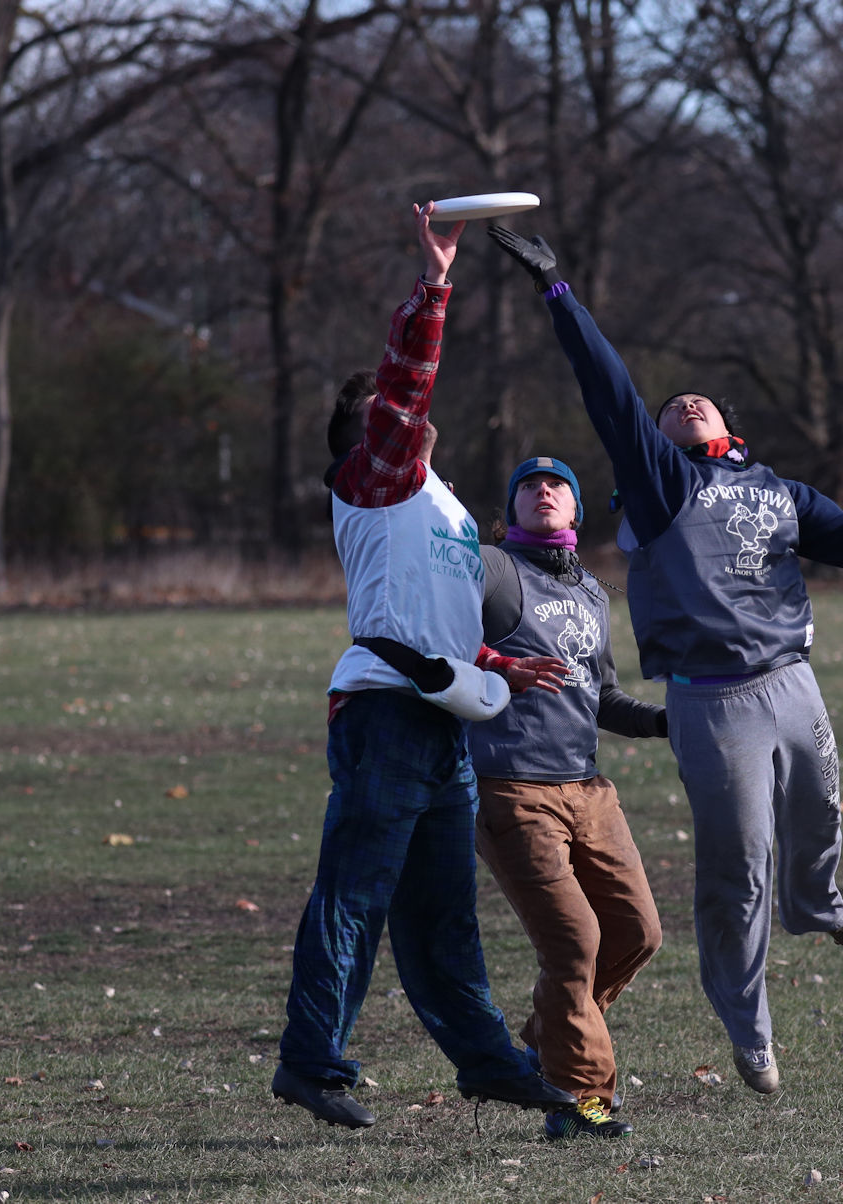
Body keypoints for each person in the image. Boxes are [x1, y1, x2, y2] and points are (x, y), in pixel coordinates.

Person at [489, 223, 843, 1096]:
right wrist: (558, 294)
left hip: (793, 682)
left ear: (731, 426)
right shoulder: (662, 483)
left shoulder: (781, 493)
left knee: (823, 813)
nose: (685, 401)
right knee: (738, 870)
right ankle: (749, 1027)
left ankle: (821, 903)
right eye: (671, 404)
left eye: (702, 400)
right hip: (712, 700)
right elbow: (610, 393)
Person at [272, 205, 577, 1129]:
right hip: (386, 717)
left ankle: (487, 1063)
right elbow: (406, 388)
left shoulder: (437, 501)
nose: (408, 419)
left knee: (443, 920)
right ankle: (311, 1061)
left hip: (442, 718)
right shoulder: (372, 475)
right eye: (389, 417)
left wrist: (495, 664)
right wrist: (436, 281)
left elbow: (427, 612)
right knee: (354, 899)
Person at [470, 456, 668, 1141]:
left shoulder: (590, 590)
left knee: (636, 934)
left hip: (588, 788)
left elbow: (600, 695)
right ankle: (580, 1100)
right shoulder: (494, 569)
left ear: (576, 510)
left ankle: (538, 1046)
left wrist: (663, 721)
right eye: (528, 484)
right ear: (510, 509)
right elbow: (436, 631)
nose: (543, 490)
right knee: (576, 943)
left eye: (557, 485)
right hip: (513, 790)